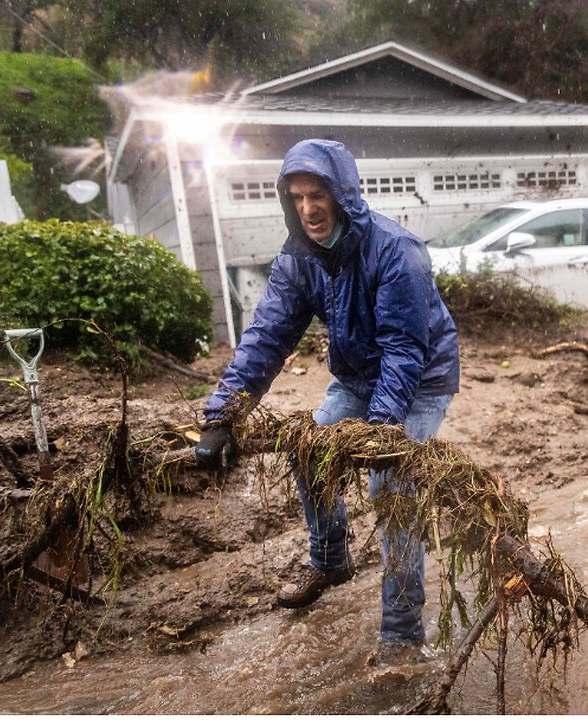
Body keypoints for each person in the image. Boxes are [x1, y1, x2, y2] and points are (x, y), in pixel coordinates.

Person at [195, 139, 460, 666]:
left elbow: (405, 351)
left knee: (394, 489)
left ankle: (403, 633)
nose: (308, 209)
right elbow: (267, 336)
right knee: (309, 449)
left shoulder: (395, 251)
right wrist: (223, 413)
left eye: (318, 195)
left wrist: (380, 432)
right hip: (357, 375)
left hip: (421, 377)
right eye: (296, 198)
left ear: (343, 194)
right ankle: (331, 558)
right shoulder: (299, 258)